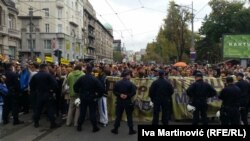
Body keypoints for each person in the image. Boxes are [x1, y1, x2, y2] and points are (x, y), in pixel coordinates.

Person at [74, 64, 104, 132]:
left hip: (83, 97)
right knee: (92, 112)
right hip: (92, 97)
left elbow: (75, 86)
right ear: (91, 71)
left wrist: (79, 92)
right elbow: (101, 88)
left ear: (86, 70)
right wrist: (97, 95)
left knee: (82, 112)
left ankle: (79, 126)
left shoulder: (82, 78)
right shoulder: (94, 79)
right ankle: (94, 127)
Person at [29, 64, 59, 129]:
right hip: (48, 94)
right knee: (50, 109)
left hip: (39, 94)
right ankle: (52, 124)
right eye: (47, 68)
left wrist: (35, 91)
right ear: (45, 68)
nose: (48, 70)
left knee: (38, 109)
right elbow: (55, 84)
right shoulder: (48, 75)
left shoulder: (35, 76)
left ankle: (36, 123)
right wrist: (52, 91)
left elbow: (31, 85)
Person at [111, 69, 137, 135]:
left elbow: (114, 91)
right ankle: (131, 130)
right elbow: (134, 92)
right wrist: (127, 96)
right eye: (129, 75)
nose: (130, 76)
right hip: (128, 102)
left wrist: (120, 95)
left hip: (119, 101)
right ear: (127, 76)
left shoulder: (118, 83)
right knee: (129, 116)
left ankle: (115, 129)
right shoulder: (131, 84)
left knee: (118, 116)